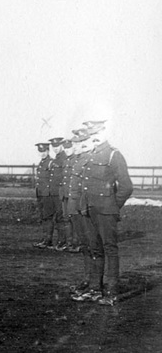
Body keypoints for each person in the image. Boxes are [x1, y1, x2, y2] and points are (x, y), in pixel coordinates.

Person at [74, 120, 133, 306]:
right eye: (92, 134)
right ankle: (94, 289)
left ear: (106, 132)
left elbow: (126, 187)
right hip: (90, 210)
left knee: (110, 249)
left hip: (106, 212)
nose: (94, 137)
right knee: (95, 250)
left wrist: (112, 206)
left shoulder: (113, 155)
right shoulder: (90, 155)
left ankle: (112, 291)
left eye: (98, 132)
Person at [67, 131, 95, 299]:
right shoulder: (77, 160)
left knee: (91, 245)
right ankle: (87, 279)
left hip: (84, 208)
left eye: (78, 143)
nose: (74, 146)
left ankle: (93, 283)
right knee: (85, 246)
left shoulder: (88, 160)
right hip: (75, 208)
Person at [32, 142, 56, 249]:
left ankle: (48, 240)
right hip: (41, 193)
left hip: (48, 194)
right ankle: (45, 239)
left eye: (44, 151)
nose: (42, 154)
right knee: (43, 217)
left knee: (48, 217)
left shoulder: (51, 163)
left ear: (48, 151)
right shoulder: (41, 163)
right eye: (40, 152)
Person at [48, 137, 69, 250]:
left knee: (61, 217)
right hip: (55, 192)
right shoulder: (57, 158)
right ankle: (61, 240)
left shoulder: (64, 158)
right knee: (58, 217)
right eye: (53, 147)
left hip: (60, 192)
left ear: (61, 146)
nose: (55, 149)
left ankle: (64, 241)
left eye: (57, 146)